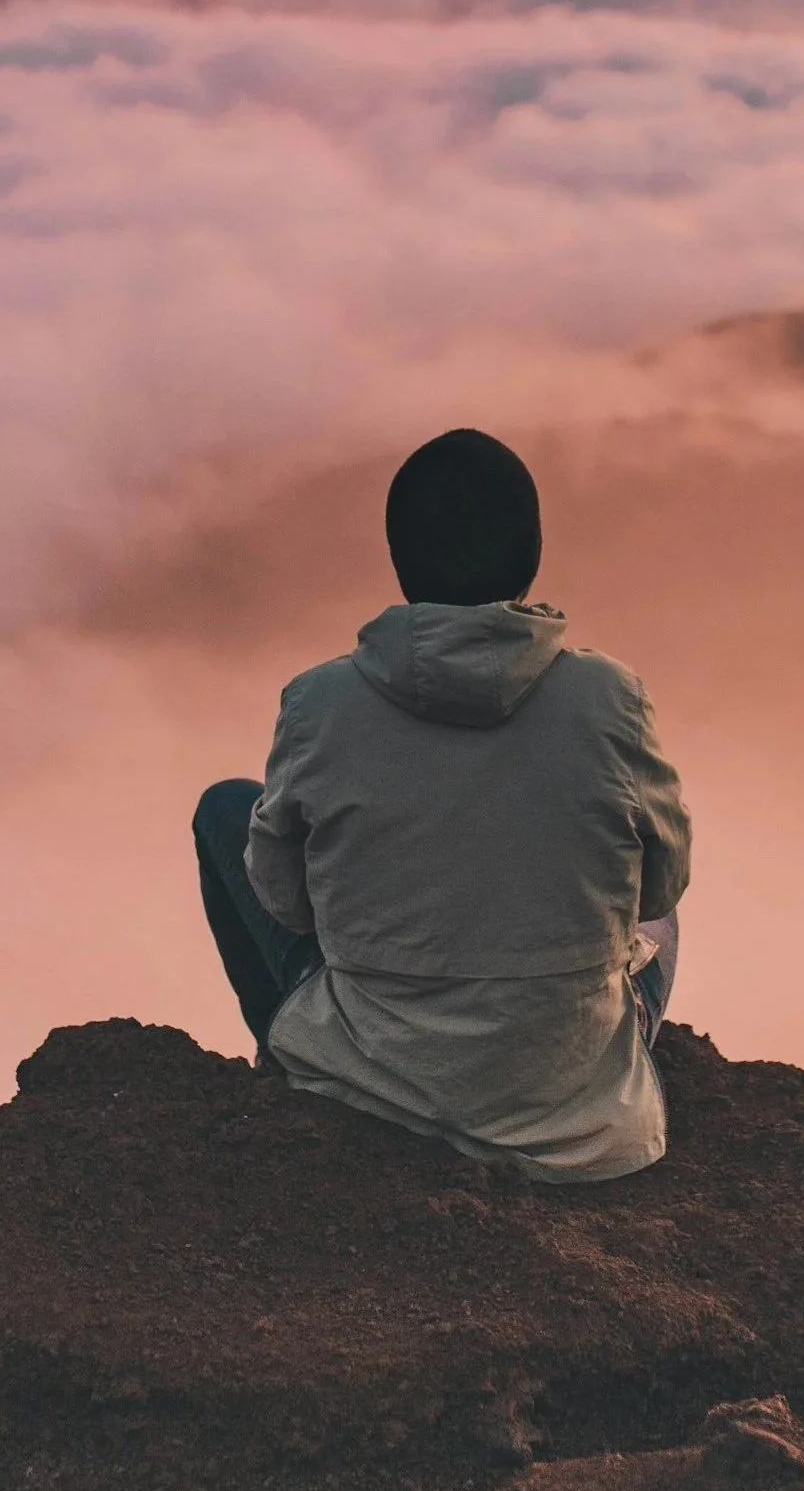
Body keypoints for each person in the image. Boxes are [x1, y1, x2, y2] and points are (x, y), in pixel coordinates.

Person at [192, 428, 690, 1181]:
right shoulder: (610, 697)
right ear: (531, 558)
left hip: (372, 1071)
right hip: (573, 1108)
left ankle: (288, 1060)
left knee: (226, 809)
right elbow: (658, 889)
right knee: (660, 923)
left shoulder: (319, 701)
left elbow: (286, 904)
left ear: (400, 562)